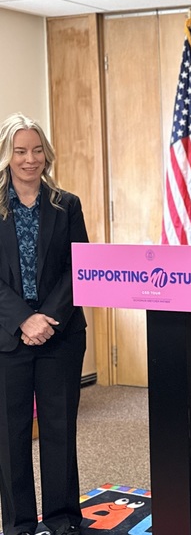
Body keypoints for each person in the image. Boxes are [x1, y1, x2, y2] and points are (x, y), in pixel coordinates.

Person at [0, 113, 89, 535]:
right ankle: (18, 525)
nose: (30, 159)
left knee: (58, 430)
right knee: (10, 437)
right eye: (20, 151)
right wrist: (23, 319)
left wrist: (46, 319)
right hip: (6, 337)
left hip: (61, 333)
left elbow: (79, 269)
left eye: (37, 150)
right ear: (7, 155)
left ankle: (63, 520)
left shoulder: (66, 204)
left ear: (47, 154)